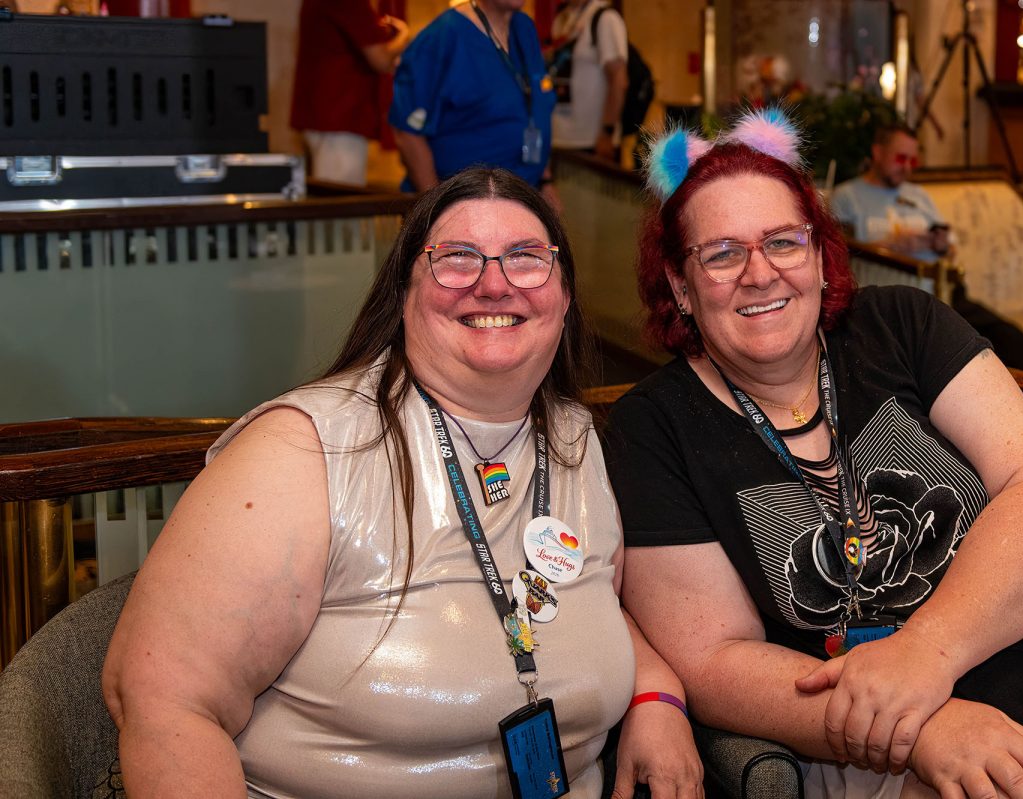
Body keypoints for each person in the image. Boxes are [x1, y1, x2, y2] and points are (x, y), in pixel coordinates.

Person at [603, 108, 1023, 798]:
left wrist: (926, 653)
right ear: (680, 285)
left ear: (819, 256)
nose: (760, 273)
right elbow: (715, 661)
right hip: (878, 755)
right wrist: (924, 725)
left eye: (783, 242)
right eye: (722, 254)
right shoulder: (653, 426)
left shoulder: (901, 324)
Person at [102, 167, 703, 798]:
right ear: (404, 291)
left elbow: (586, 606)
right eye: (457, 258)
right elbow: (164, 699)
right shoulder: (304, 449)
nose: (494, 283)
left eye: (527, 258)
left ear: (565, 296)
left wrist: (656, 694)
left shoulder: (579, 443)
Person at [829, 124, 1023, 374]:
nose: (907, 167)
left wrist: (941, 245)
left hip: (944, 292)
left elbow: (950, 249)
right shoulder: (847, 197)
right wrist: (893, 245)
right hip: (897, 300)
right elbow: (840, 254)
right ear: (878, 153)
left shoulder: (918, 195)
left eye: (912, 161)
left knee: (1012, 340)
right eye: (900, 158)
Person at [389, 0, 556, 204]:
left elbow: (537, 110)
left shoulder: (524, 28)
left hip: (525, 198)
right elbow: (407, 133)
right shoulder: (441, 38)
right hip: (463, 205)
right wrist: (435, 209)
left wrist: (545, 181)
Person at [290, 0, 409, 187]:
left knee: (329, 189)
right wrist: (403, 36)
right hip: (340, 114)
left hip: (324, 113)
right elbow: (381, 59)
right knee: (340, 193)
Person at [549, 0, 629, 161]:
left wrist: (607, 132)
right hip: (559, 140)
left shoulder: (606, 19)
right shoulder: (564, 19)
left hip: (591, 143)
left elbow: (618, 80)